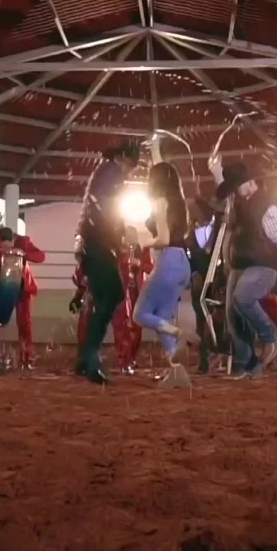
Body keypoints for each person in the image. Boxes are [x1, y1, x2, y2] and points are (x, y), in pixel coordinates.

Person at [214, 162, 277, 378]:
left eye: (236, 187)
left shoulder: (267, 209)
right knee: (233, 316)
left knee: (242, 297)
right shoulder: (241, 204)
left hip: (264, 265)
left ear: (249, 183)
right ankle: (248, 364)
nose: (234, 192)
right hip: (240, 265)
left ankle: (270, 336)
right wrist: (216, 172)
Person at [74, 140, 141, 384]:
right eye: (132, 165)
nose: (131, 171)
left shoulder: (103, 172)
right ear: (123, 159)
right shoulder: (112, 174)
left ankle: (86, 358)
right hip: (99, 244)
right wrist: (117, 237)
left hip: (93, 243)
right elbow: (105, 209)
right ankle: (90, 357)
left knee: (104, 297)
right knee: (113, 293)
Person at [132, 162, 196, 376]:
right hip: (182, 264)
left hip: (168, 261)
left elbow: (163, 239)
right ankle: (176, 368)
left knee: (140, 314)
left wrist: (144, 243)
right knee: (161, 319)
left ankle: (179, 333)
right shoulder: (179, 203)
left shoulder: (160, 202)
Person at [0, 226, 46, 369]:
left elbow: (41, 256)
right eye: (1, 247)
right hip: (0, 286)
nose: (4, 249)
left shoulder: (23, 242)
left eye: (6, 246)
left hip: (22, 287)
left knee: (24, 323)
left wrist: (23, 253)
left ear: (12, 241)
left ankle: (26, 357)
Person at [185, 197, 223, 374]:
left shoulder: (219, 228)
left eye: (194, 209)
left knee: (219, 318)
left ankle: (222, 352)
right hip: (199, 282)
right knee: (201, 321)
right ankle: (204, 361)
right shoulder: (190, 234)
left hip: (218, 281)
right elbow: (189, 257)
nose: (191, 213)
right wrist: (193, 274)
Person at [113, 225, 152, 374]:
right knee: (122, 326)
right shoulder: (117, 252)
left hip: (137, 293)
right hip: (122, 293)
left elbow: (150, 268)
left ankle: (131, 358)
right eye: (128, 236)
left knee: (137, 327)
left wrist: (138, 263)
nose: (131, 239)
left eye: (133, 236)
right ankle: (124, 360)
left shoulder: (141, 251)